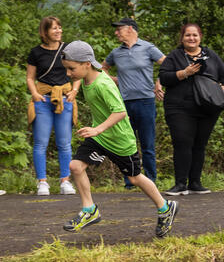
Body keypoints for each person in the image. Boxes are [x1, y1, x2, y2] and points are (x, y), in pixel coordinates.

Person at [60, 41, 178, 237]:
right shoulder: (88, 77)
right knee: (75, 166)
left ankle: (166, 208)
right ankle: (90, 210)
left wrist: (97, 129)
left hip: (120, 140)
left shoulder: (103, 84)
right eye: (67, 69)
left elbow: (120, 112)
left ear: (86, 64)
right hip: (101, 137)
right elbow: (80, 77)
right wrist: (75, 88)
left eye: (71, 69)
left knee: (135, 178)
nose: (68, 73)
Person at [159, 23, 224, 196]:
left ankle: (195, 183)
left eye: (195, 35)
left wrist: (220, 95)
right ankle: (180, 184)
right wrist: (185, 73)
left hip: (207, 107)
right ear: (182, 38)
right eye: (188, 35)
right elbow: (164, 77)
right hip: (179, 107)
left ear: (200, 37)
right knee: (183, 142)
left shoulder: (211, 55)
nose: (191, 38)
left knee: (200, 144)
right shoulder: (175, 56)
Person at [102, 17, 165, 189]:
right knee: (126, 144)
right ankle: (130, 181)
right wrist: (115, 80)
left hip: (146, 101)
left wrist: (159, 82)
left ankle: (151, 181)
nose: (116, 32)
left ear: (130, 29)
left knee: (147, 144)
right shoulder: (116, 53)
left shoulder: (147, 48)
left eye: (119, 29)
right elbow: (102, 69)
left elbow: (167, 64)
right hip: (124, 104)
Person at [26, 16, 79, 196]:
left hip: (65, 99)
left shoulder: (67, 50)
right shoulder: (36, 52)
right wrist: (34, 94)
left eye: (60, 27)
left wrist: (74, 91)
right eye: (54, 28)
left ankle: (65, 181)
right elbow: (29, 77)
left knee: (64, 143)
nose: (58, 31)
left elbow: (77, 73)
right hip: (43, 100)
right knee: (40, 143)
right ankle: (42, 182)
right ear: (45, 32)